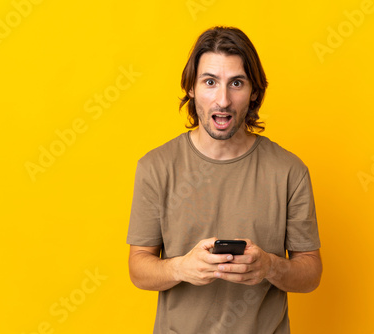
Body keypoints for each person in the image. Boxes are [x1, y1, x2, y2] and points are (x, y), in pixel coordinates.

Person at [127, 26, 322, 334]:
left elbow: (310, 273)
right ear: (191, 88)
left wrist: (269, 266)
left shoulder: (289, 171)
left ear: (254, 92)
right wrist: (181, 267)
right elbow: (138, 268)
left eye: (236, 83)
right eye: (210, 82)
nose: (223, 100)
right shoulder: (156, 167)